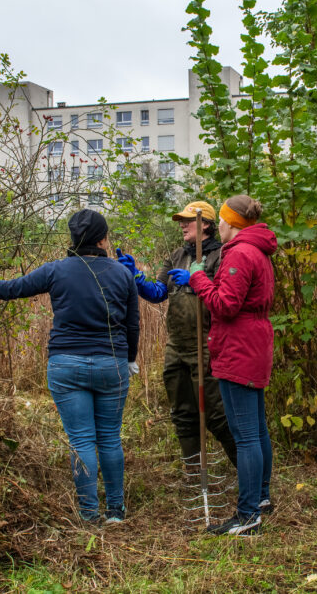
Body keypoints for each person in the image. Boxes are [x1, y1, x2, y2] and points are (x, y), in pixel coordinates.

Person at [0, 209, 138, 525]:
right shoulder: (122, 274)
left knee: (82, 440)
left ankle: (90, 515)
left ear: (73, 239)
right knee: (110, 438)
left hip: (66, 364)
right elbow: (132, 324)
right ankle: (116, 511)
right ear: (103, 239)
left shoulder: (56, 270)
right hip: (111, 365)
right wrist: (130, 358)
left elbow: (12, 289)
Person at [167, 194, 277, 536]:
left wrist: (199, 279)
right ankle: (259, 501)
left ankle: (248, 516)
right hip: (252, 344)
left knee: (246, 436)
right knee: (257, 430)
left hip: (238, 347)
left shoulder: (240, 253)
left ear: (228, 222)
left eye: (226, 219)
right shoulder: (256, 249)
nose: (224, 224)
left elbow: (226, 305)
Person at [116, 201, 238, 473]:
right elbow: (158, 292)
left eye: (187, 220)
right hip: (177, 346)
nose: (182, 225)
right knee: (182, 413)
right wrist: (134, 275)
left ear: (205, 224)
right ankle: (195, 473)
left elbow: (224, 297)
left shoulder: (222, 256)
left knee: (217, 416)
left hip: (207, 345)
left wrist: (196, 281)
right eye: (180, 221)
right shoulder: (175, 256)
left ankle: (248, 473)